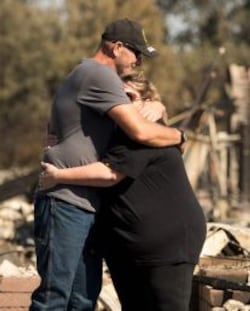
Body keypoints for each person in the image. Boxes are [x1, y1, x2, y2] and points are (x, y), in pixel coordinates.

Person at [30, 18, 186, 311]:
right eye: (136, 52)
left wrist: (156, 105)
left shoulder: (84, 75)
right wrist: (180, 134)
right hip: (65, 201)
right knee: (53, 300)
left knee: (81, 301)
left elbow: (56, 128)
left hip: (82, 204)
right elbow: (140, 131)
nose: (139, 61)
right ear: (116, 48)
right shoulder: (99, 75)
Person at [39, 72, 207, 311]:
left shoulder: (145, 132)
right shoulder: (111, 132)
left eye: (127, 95)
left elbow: (110, 173)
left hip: (167, 246)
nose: (117, 102)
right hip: (126, 247)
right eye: (113, 96)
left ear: (145, 101)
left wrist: (58, 176)